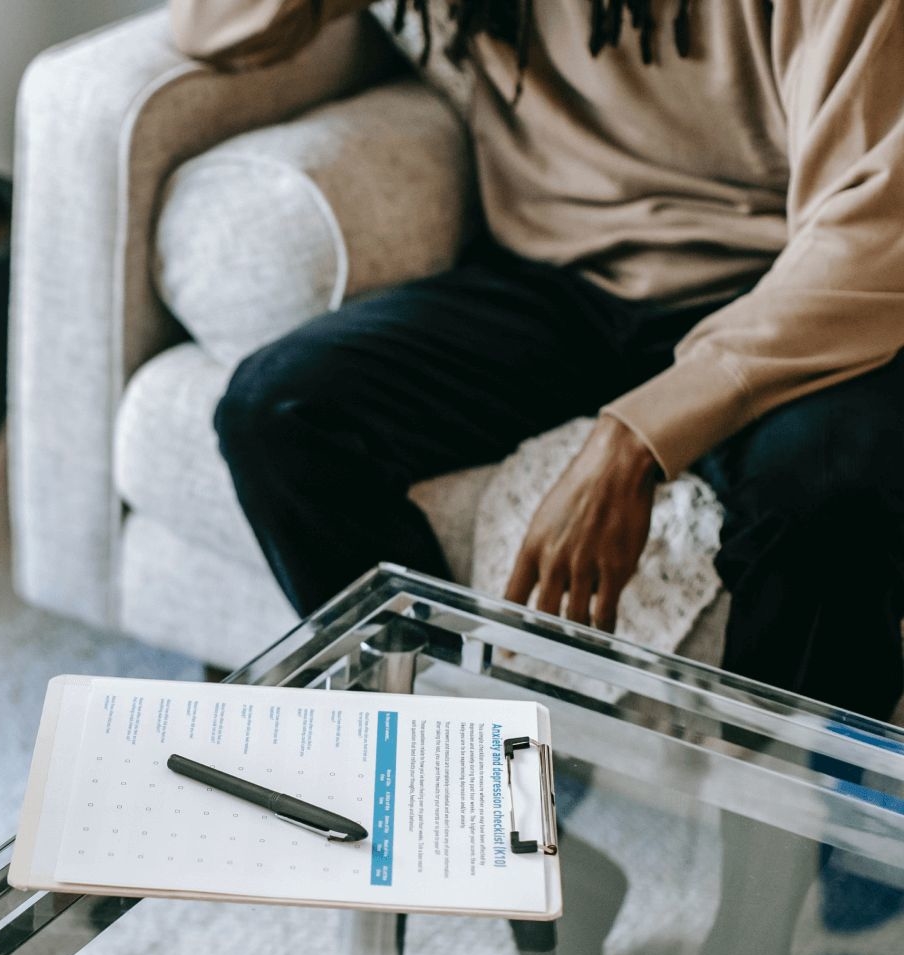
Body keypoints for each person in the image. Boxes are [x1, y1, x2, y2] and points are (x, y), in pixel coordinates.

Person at [171, 0, 904, 724]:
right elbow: (212, 29)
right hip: (553, 282)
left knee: (834, 496)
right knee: (277, 411)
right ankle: (450, 755)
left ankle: (779, 835)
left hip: (774, 286)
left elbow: (872, 230)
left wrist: (635, 438)